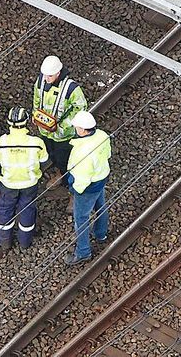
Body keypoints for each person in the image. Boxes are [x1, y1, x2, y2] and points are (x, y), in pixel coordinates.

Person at [0, 107, 51, 251]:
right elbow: (45, 161)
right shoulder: (37, 143)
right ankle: (25, 242)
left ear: (9, 123)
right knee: (28, 210)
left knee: (5, 211)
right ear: (27, 122)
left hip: (8, 185)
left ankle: (4, 242)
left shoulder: (0, 143)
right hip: (30, 184)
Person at [64, 111, 111, 265]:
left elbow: (82, 177)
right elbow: (108, 155)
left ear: (83, 130)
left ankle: (83, 251)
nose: (75, 129)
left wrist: (75, 189)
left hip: (87, 186)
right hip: (101, 177)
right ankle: (101, 234)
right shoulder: (102, 135)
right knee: (100, 206)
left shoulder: (82, 151)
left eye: (77, 127)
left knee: (81, 218)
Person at [32, 55, 88, 178]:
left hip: (62, 134)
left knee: (62, 156)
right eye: (45, 75)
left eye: (50, 76)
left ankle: (63, 175)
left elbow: (81, 108)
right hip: (45, 129)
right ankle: (54, 164)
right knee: (49, 150)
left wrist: (63, 127)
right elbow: (37, 97)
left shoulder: (71, 88)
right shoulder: (41, 80)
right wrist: (35, 113)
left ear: (58, 73)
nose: (46, 78)